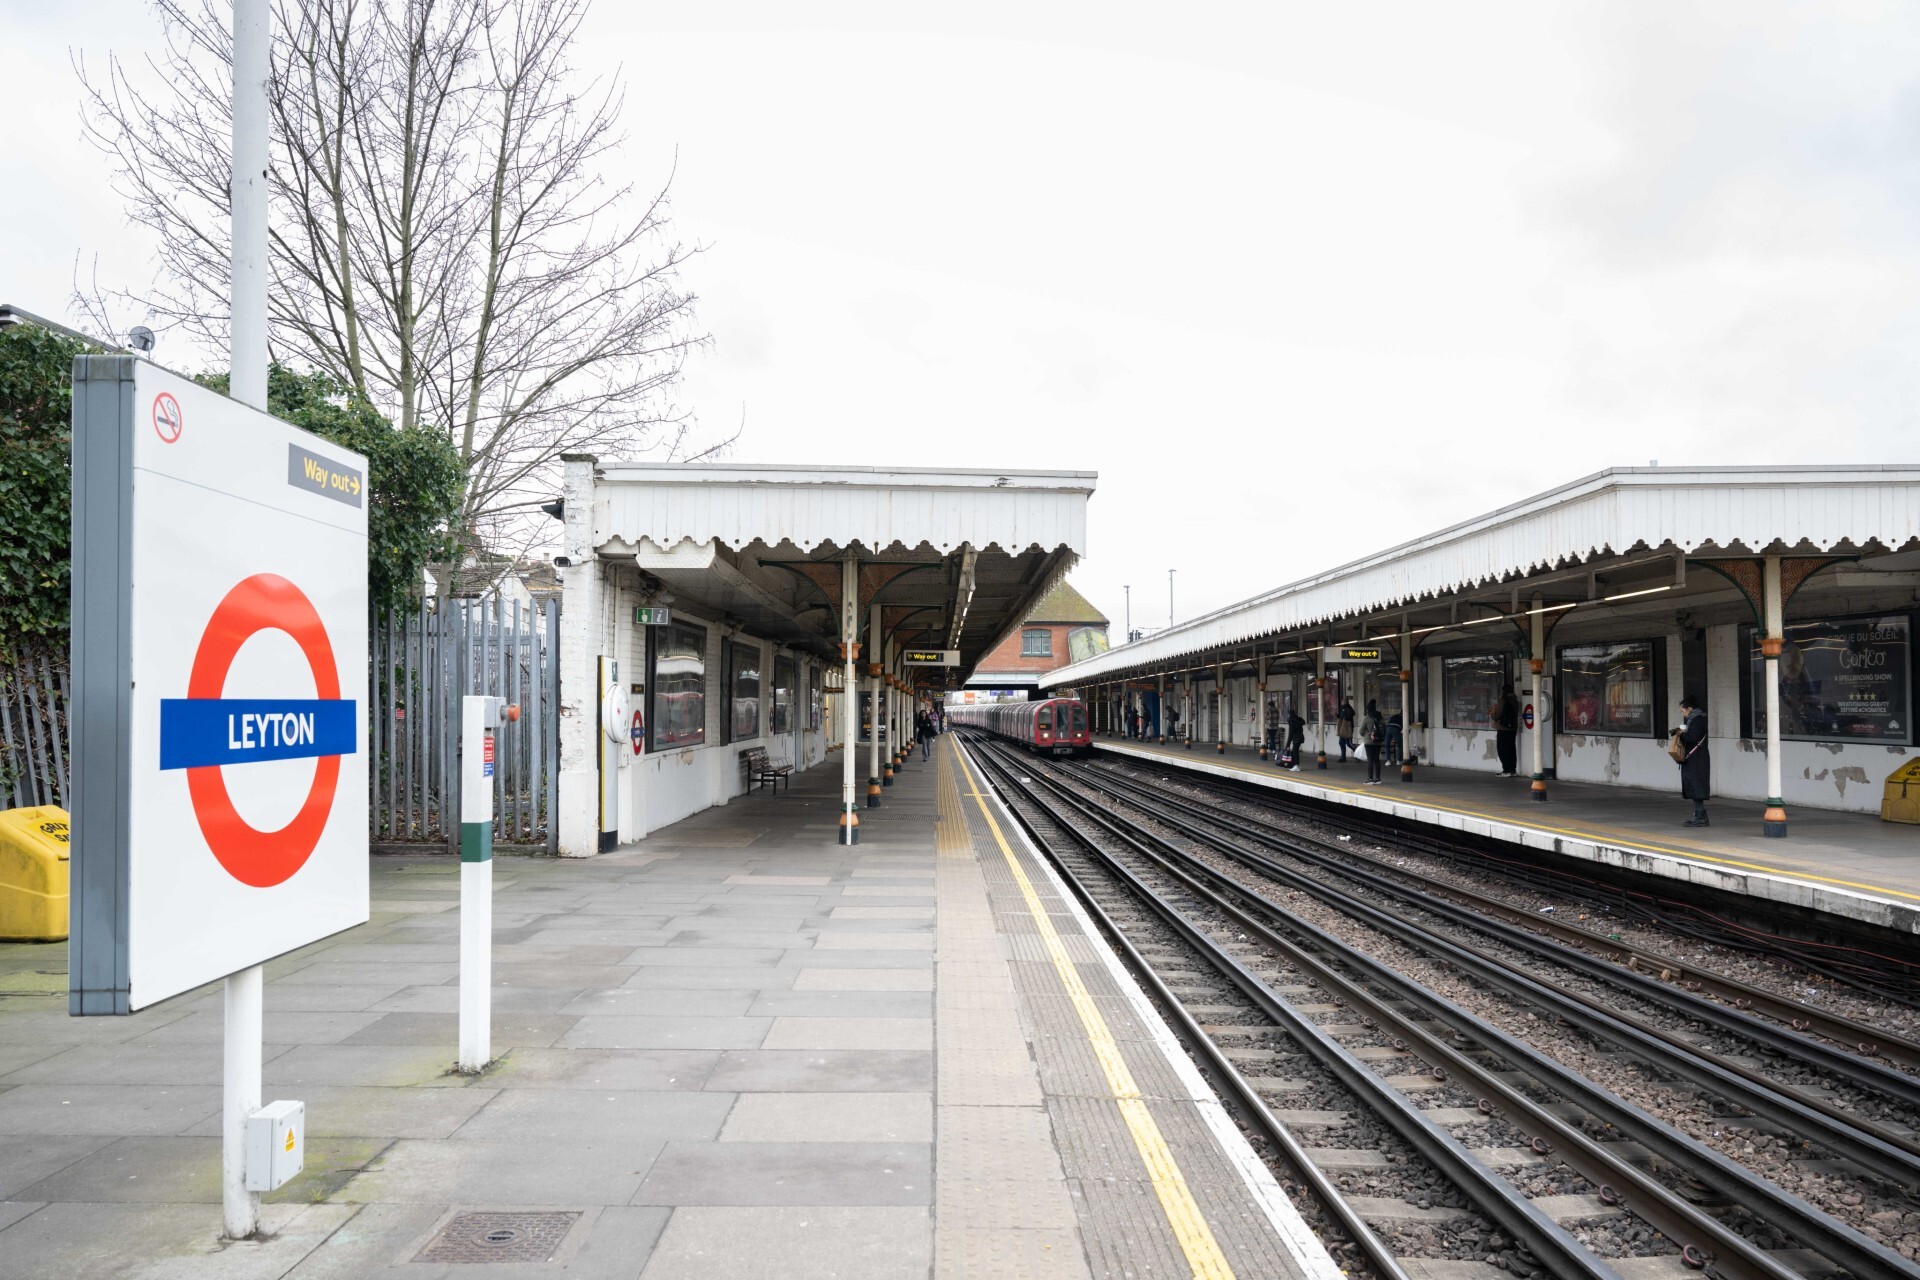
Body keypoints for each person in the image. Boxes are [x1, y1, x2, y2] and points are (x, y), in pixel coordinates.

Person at [1672, 693, 1711, 826]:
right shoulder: (1694, 720)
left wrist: (1681, 735)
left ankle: (1700, 816)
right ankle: (1700, 814)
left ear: (1689, 709)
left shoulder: (1697, 721)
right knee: (1695, 786)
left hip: (1697, 760)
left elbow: (1692, 738)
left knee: (1696, 786)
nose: (1682, 714)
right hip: (1695, 759)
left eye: (1682, 710)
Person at [1494, 683, 1520, 776]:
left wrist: (1493, 715)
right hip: (1513, 728)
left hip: (1503, 728)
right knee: (1511, 749)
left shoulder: (1503, 700)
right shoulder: (1515, 700)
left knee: (1502, 749)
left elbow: (1497, 714)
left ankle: (1506, 770)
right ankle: (1512, 770)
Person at [1361, 700, 1386, 784]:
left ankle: (1370, 778)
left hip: (1369, 742)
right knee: (1376, 759)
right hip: (1378, 742)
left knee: (1370, 759)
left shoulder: (1366, 718)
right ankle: (1378, 778)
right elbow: (1385, 729)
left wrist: (1367, 733)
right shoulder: (1380, 717)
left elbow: (1361, 732)